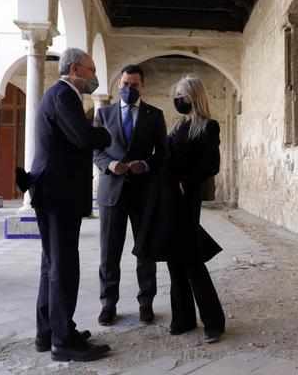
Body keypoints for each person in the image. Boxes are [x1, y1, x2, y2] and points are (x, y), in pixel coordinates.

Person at [19, 47, 112, 362]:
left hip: (53, 191)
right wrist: (103, 134)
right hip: (58, 192)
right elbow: (84, 139)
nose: (93, 75)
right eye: (90, 68)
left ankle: (48, 332)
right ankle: (63, 340)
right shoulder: (63, 95)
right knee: (63, 265)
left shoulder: (60, 95)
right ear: (75, 68)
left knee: (52, 264)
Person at [135, 73, 225, 344]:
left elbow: (211, 164)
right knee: (175, 261)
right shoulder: (176, 126)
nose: (177, 100)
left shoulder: (207, 127)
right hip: (167, 199)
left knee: (192, 261)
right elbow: (166, 158)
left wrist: (187, 181)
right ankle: (183, 319)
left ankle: (213, 322)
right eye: (175, 96)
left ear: (194, 97)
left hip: (186, 200)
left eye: (181, 96)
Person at [93, 65, 167, 326]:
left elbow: (163, 154)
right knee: (109, 252)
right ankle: (108, 303)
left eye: (134, 85)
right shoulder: (103, 113)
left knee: (145, 251)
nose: (128, 89)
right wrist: (108, 165)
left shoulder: (155, 115)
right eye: (124, 84)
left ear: (142, 86)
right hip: (112, 191)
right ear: (118, 84)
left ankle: (146, 302)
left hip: (144, 193)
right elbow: (96, 151)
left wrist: (145, 165)